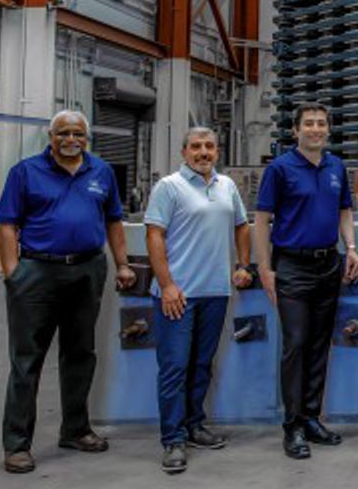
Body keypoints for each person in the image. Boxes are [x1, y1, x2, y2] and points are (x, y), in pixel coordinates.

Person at [0, 110, 135, 474]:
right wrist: (13, 273)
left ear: (87, 138)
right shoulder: (25, 172)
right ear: (51, 136)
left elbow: (114, 220)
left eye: (78, 134)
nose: (71, 139)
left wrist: (121, 263)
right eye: (63, 133)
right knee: (27, 359)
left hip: (87, 269)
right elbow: (7, 224)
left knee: (80, 353)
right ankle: (16, 443)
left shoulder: (101, 172)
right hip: (37, 271)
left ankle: (75, 429)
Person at [254, 103, 358, 459]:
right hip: (291, 267)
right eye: (309, 124)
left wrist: (351, 247)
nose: (315, 129)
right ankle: (293, 426)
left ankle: (312, 418)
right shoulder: (280, 168)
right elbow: (262, 220)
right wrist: (265, 269)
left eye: (321, 124)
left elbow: (344, 210)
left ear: (328, 130)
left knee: (319, 345)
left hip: (328, 264)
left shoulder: (336, 167)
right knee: (296, 344)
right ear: (295, 130)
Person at [145, 127, 252, 474]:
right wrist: (167, 285)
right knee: (174, 368)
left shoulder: (227, 186)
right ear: (184, 151)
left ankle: (194, 425)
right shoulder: (169, 187)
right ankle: (173, 440)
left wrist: (242, 264)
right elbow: (154, 236)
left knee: (201, 365)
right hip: (178, 295)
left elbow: (242, 225)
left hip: (215, 292)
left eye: (209, 146)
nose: (203, 152)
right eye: (196, 147)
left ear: (217, 151)